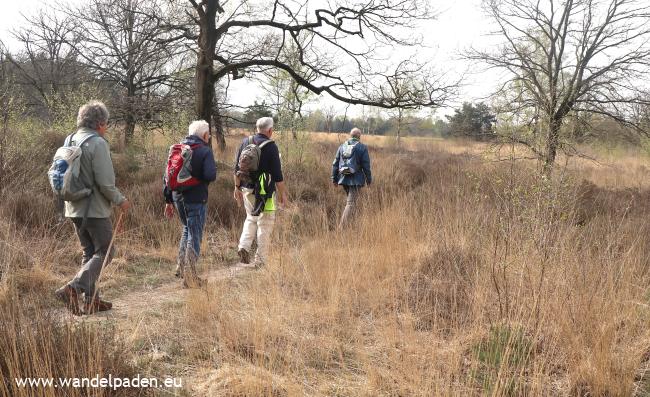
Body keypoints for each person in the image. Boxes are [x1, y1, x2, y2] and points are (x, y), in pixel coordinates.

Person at [55, 100, 130, 315]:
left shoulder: (70, 139)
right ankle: (72, 288)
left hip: (72, 208)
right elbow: (105, 183)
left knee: (90, 253)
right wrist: (120, 200)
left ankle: (92, 301)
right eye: (106, 123)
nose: (106, 128)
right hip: (94, 210)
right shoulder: (97, 143)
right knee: (106, 251)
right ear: (99, 123)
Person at [164, 120, 217, 288]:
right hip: (196, 198)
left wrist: (168, 200)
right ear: (204, 135)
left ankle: (181, 266)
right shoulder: (204, 151)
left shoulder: (178, 148)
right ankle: (190, 276)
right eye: (208, 134)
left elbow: (166, 177)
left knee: (187, 229)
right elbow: (210, 175)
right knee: (195, 235)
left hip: (177, 197)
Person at [233, 117, 288, 267]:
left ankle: (243, 246)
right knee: (266, 223)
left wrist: (236, 188)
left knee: (251, 218)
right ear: (270, 130)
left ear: (257, 128)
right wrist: (283, 194)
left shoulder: (245, 142)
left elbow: (236, 169)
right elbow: (277, 175)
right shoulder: (271, 147)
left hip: (246, 188)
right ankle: (261, 260)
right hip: (266, 193)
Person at [331, 127, 372, 229]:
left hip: (343, 178)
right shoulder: (362, 147)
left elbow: (335, 164)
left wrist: (334, 179)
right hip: (356, 180)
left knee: (352, 202)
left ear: (351, 135)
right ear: (359, 136)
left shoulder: (342, 147)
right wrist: (369, 180)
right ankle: (341, 229)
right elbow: (366, 166)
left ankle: (352, 226)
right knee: (351, 204)